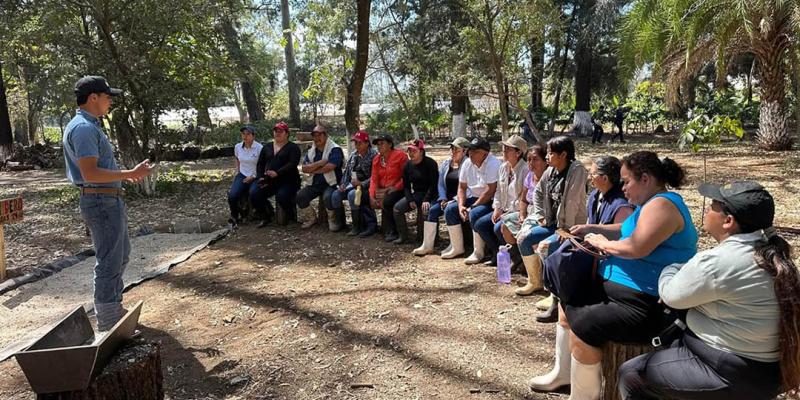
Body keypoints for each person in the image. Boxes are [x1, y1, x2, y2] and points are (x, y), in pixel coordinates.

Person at [529, 151, 697, 400]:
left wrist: (601, 243)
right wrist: (593, 228)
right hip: (623, 292)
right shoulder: (649, 205)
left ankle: (584, 396)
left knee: (584, 325)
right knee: (567, 298)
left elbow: (636, 247)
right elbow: (626, 229)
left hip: (646, 302)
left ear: (646, 179)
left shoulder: (663, 205)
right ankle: (562, 373)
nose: (623, 188)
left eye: (626, 181)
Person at [618, 181, 800, 400]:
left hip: (730, 370)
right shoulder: (773, 255)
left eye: (713, 205)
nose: (706, 209)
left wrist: (672, 267)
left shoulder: (720, 261)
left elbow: (670, 294)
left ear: (728, 221)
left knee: (632, 373)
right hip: (769, 370)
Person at [63, 76, 153, 331]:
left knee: (120, 255)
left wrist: (125, 176)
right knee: (109, 260)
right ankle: (109, 321)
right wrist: (128, 174)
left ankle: (113, 308)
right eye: (107, 97)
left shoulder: (89, 126)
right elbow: (90, 173)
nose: (110, 101)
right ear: (93, 98)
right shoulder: (83, 129)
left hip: (107, 199)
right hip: (100, 200)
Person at [535, 156, 634, 322]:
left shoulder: (621, 203)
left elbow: (622, 230)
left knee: (564, 260)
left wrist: (590, 230)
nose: (589, 177)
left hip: (606, 251)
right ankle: (557, 299)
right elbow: (589, 222)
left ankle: (565, 302)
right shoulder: (595, 195)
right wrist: (574, 235)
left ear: (605, 178)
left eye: (593, 174)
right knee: (553, 249)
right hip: (590, 244)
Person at [514, 136, 587, 299]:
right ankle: (535, 281)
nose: (547, 157)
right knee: (523, 238)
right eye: (546, 153)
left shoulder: (577, 170)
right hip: (553, 224)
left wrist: (566, 230)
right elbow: (538, 192)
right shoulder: (551, 170)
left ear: (563, 155)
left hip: (572, 226)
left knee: (545, 247)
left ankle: (554, 293)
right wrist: (540, 215)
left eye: (551, 153)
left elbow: (572, 201)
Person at [441, 137, 501, 261]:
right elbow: (461, 187)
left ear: (485, 153)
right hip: (472, 197)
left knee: (474, 213)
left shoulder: (493, 163)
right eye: (470, 150)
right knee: (450, 209)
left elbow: (490, 191)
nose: (470, 153)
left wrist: (473, 207)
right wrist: (461, 206)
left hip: (489, 200)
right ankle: (457, 247)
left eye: (474, 151)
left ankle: (478, 252)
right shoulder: (468, 163)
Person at [473, 135, 528, 266]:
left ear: (518, 152)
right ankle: (496, 253)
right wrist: (497, 208)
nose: (504, 151)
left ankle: (515, 257)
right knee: (480, 224)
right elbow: (498, 191)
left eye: (508, 149)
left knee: (499, 227)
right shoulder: (503, 167)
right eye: (504, 148)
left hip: (516, 211)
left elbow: (523, 198)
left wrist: (507, 213)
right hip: (503, 208)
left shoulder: (525, 170)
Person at [413, 137, 470, 256]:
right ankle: (427, 245)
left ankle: (456, 246)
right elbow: (440, 184)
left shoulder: (468, 165)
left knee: (449, 210)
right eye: (452, 149)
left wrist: (453, 200)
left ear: (465, 151)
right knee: (432, 210)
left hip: (462, 198)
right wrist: (443, 198)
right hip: (446, 198)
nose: (453, 152)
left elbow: (467, 188)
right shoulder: (446, 163)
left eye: (457, 150)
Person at [498, 143, 548, 272]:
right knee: (505, 224)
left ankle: (535, 269)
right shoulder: (530, 176)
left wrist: (529, 219)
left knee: (526, 233)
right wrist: (522, 216)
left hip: (542, 215)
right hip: (528, 212)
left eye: (535, 159)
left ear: (545, 161)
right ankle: (518, 258)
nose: (531, 163)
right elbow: (524, 199)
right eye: (529, 159)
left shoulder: (549, 177)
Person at [251, 121, 301, 227]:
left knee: (282, 196)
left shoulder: (293, 148)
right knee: (254, 192)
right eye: (276, 131)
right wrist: (260, 177)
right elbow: (260, 163)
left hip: (288, 181)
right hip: (269, 180)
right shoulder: (267, 147)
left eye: (281, 131)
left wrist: (277, 173)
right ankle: (266, 216)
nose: (277, 133)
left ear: (287, 133)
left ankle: (291, 217)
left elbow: (292, 164)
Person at [296, 124, 345, 230]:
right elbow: (304, 168)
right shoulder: (312, 150)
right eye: (314, 135)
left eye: (319, 135)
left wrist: (313, 169)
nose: (316, 138)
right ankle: (312, 218)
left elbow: (330, 167)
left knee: (328, 197)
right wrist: (320, 163)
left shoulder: (335, 149)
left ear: (325, 135)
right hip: (314, 183)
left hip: (331, 183)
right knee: (300, 196)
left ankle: (332, 220)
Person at [330, 130, 378, 237]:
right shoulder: (353, 155)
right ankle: (341, 223)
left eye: (359, 143)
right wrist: (343, 183)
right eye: (355, 143)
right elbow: (347, 172)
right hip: (352, 183)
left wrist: (362, 183)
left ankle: (357, 226)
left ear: (367, 143)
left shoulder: (374, 155)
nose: (357, 145)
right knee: (336, 195)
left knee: (353, 195)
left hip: (367, 186)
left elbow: (375, 176)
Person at [392, 139, 438, 244]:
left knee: (424, 211)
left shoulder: (430, 164)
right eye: (409, 151)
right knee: (397, 208)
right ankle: (403, 236)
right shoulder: (407, 166)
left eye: (414, 151)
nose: (411, 153)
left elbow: (433, 185)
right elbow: (406, 186)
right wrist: (410, 199)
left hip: (430, 195)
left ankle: (426, 239)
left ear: (421, 152)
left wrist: (426, 199)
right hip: (417, 194)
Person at [369, 134, 408, 241]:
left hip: (400, 189)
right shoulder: (377, 159)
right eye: (377, 144)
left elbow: (407, 176)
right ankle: (368, 226)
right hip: (383, 190)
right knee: (363, 197)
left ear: (390, 144)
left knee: (388, 201)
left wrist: (395, 187)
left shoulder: (400, 156)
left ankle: (393, 231)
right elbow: (374, 179)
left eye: (382, 143)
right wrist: (372, 195)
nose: (379, 146)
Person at [227, 124, 263, 226]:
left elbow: (262, 165)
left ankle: (261, 214)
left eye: (248, 134)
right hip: (242, 174)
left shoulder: (259, 148)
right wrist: (238, 172)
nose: (245, 136)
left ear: (253, 136)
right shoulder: (238, 147)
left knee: (254, 193)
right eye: (243, 134)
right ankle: (234, 215)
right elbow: (237, 159)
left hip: (255, 175)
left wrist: (254, 176)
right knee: (232, 195)